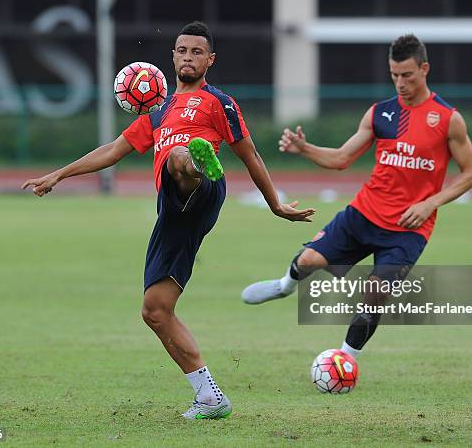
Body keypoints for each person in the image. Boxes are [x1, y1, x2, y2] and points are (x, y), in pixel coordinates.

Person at [22, 21, 315, 420]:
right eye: (182, 50)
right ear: (173, 57)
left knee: (179, 158)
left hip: (204, 190)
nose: (188, 57)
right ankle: (210, 397)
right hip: (172, 210)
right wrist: (58, 174)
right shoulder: (157, 111)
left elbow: (250, 155)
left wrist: (276, 204)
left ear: (210, 60)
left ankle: (196, 163)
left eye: (197, 52)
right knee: (155, 310)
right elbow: (113, 150)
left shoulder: (219, 103)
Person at [241, 34, 472, 365]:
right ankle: (284, 285)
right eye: (394, 75)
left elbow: (471, 173)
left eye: (407, 75)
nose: (400, 83)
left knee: (376, 292)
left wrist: (429, 203)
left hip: (408, 229)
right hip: (364, 214)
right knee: (309, 261)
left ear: (424, 69)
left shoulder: (448, 118)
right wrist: (305, 149)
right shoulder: (380, 114)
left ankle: (345, 359)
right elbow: (341, 158)